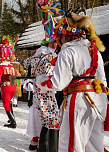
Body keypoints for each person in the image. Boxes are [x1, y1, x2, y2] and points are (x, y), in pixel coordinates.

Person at [35, 12, 108, 152]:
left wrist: (40, 81)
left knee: (71, 144)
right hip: (99, 100)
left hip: (79, 101)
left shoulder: (67, 52)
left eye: (58, 38)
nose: (56, 42)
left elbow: (57, 83)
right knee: (94, 146)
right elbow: (102, 80)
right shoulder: (94, 51)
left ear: (65, 36)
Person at [0, 36, 18, 128]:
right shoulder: (11, 66)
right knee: (9, 102)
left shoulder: (1, 67)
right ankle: (12, 118)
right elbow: (14, 78)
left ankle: (13, 122)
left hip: (6, 87)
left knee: (6, 104)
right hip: (13, 86)